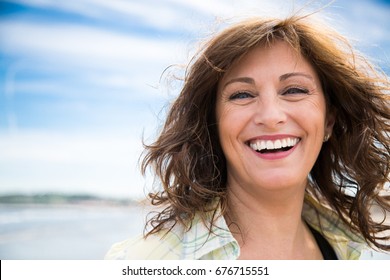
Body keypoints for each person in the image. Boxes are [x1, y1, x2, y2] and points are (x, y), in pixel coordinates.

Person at [105, 14, 390, 260]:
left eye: (294, 90)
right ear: (213, 124)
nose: (270, 115)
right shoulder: (143, 263)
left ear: (329, 121)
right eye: (242, 94)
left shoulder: (354, 252)